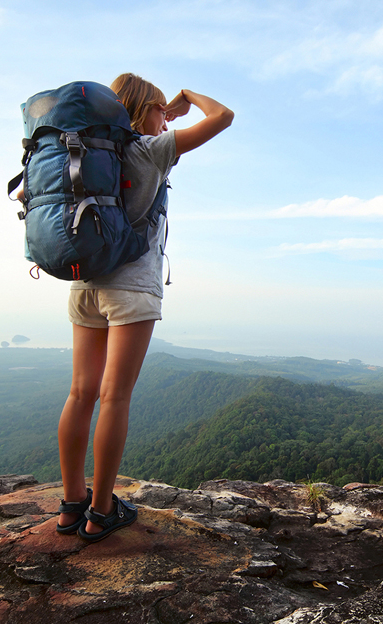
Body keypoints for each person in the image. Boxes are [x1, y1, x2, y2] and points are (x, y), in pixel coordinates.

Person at [54, 74, 233, 542]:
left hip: (85, 285)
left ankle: (70, 506)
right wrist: (188, 96)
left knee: (80, 395)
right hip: (131, 291)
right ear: (147, 110)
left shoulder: (92, 152)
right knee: (115, 397)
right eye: (158, 110)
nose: (164, 118)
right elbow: (223, 117)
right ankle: (100, 511)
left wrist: (160, 109)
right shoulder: (150, 150)